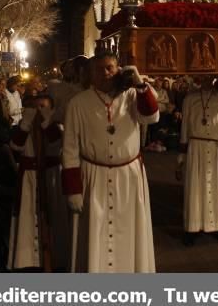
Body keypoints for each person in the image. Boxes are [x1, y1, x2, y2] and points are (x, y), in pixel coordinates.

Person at [61, 53, 159, 272]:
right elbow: (69, 149)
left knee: (129, 231)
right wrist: (73, 189)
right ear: (90, 74)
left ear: (119, 69)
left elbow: (151, 117)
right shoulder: (78, 103)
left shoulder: (134, 94)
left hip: (128, 177)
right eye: (99, 69)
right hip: (92, 177)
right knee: (94, 233)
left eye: (110, 68)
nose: (105, 73)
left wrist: (140, 83)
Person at [177, 76, 218, 246]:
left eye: (210, 76)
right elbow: (184, 128)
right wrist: (181, 156)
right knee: (195, 188)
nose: (206, 80)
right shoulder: (190, 99)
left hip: (217, 147)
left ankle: (217, 226)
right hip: (195, 147)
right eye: (203, 75)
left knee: (216, 187)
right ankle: (193, 227)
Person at [8, 95, 65, 270]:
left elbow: (57, 144)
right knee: (28, 216)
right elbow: (16, 146)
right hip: (30, 180)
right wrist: (25, 125)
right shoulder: (25, 126)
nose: (39, 110)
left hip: (50, 176)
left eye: (44, 106)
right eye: (36, 107)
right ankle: (28, 259)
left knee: (52, 218)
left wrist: (48, 122)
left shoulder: (57, 126)